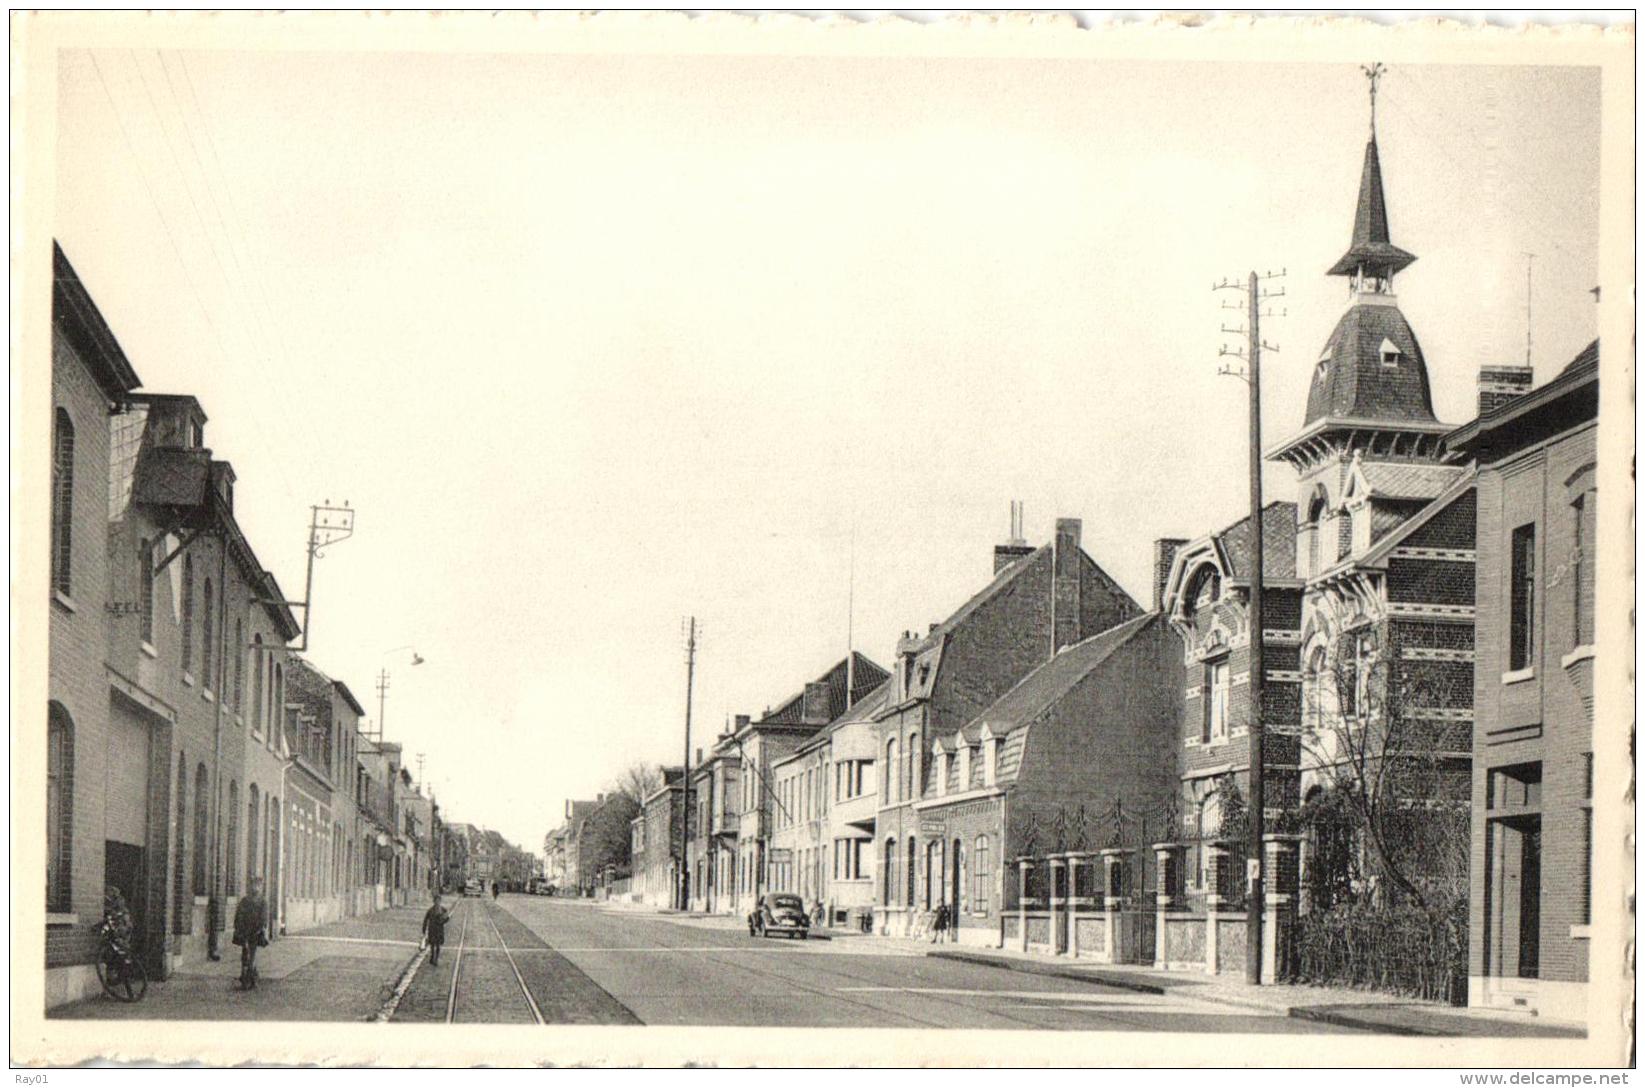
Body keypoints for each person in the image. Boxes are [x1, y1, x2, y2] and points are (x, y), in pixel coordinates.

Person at [232, 878, 269, 990]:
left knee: (251, 954)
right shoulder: (245, 901)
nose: (255, 888)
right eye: (254, 885)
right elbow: (238, 915)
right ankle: (248, 975)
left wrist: (260, 928)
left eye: (258, 885)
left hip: (255, 932)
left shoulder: (262, 902)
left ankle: (249, 976)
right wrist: (238, 928)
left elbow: (264, 918)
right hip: (245, 931)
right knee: (245, 953)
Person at [421, 892, 451, 966]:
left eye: (439, 901)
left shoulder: (443, 910)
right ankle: (432, 956)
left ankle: (436, 959)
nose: (437, 902)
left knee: (438, 945)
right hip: (432, 929)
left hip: (439, 930)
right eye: (436, 901)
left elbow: (447, 918)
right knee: (432, 945)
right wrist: (424, 929)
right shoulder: (430, 910)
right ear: (434, 901)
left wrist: (443, 921)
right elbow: (426, 919)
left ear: (440, 901)